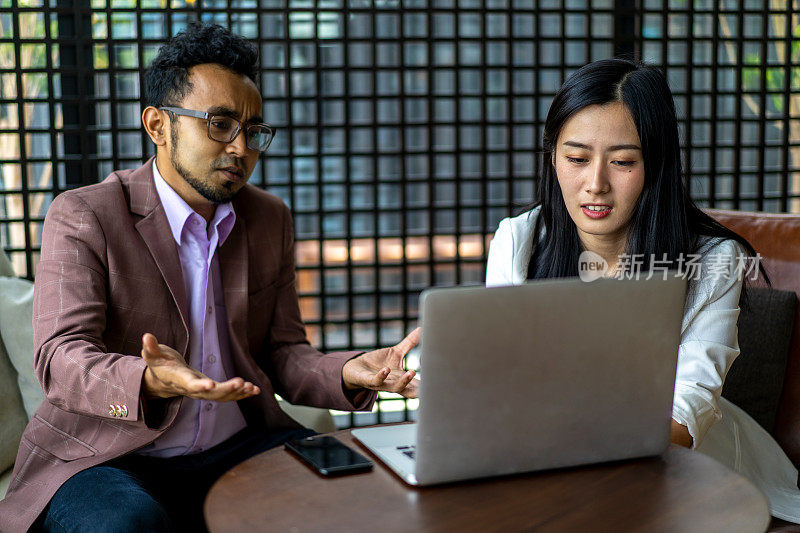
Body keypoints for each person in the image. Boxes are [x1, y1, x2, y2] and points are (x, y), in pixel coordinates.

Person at [0, 22, 420, 532]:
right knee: (126, 524)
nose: (242, 148)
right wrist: (147, 380)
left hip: (235, 445)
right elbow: (60, 357)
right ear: (158, 125)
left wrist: (350, 371)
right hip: (107, 455)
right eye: (219, 123)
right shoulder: (86, 214)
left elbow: (283, 353)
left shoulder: (268, 217)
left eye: (253, 130)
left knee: (364, 490)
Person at [486, 57, 800, 523]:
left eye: (623, 162)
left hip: (690, 466)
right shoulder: (519, 239)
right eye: (575, 158)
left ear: (656, 164)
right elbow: (500, 384)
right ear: (552, 157)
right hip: (548, 462)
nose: (595, 184)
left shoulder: (714, 258)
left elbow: (688, 410)